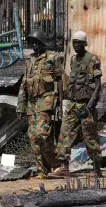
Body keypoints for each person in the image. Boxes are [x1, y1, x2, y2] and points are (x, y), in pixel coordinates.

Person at [49, 31, 102, 178]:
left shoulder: (92, 60)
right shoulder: (72, 60)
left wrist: (90, 107)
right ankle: (64, 167)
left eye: (79, 43)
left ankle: (96, 169)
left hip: (86, 105)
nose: (76, 46)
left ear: (84, 44)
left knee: (90, 137)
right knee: (64, 134)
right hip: (73, 104)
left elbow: (98, 86)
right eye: (74, 43)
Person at [16, 29, 64, 179]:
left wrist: (61, 103)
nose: (34, 46)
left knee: (42, 134)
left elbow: (61, 80)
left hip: (46, 101)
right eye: (32, 43)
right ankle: (42, 171)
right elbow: (24, 85)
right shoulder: (29, 61)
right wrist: (20, 106)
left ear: (42, 43)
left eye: (36, 43)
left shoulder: (52, 58)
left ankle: (57, 164)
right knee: (33, 138)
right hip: (32, 103)